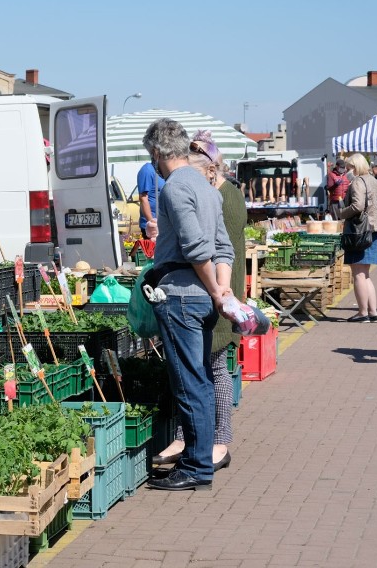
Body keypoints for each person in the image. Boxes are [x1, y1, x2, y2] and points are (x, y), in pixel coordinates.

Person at [141, 119, 235, 492]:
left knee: (190, 382)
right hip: (204, 298)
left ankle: (196, 467)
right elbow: (222, 248)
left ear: (156, 152)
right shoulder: (207, 187)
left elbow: (197, 248)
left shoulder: (175, 188)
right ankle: (199, 461)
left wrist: (216, 290)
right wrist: (222, 292)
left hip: (182, 296)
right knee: (202, 380)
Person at [341, 153, 377, 322]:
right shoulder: (375, 181)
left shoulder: (358, 182)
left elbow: (358, 205)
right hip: (374, 229)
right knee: (365, 274)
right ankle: (373, 312)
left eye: (348, 167)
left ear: (356, 167)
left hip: (359, 231)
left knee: (358, 273)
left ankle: (362, 313)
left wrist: (341, 213)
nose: (346, 171)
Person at [136, 161, 165, 239]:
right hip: (153, 227)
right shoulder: (147, 170)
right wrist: (151, 223)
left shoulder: (164, 171)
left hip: (165, 224)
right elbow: (143, 198)